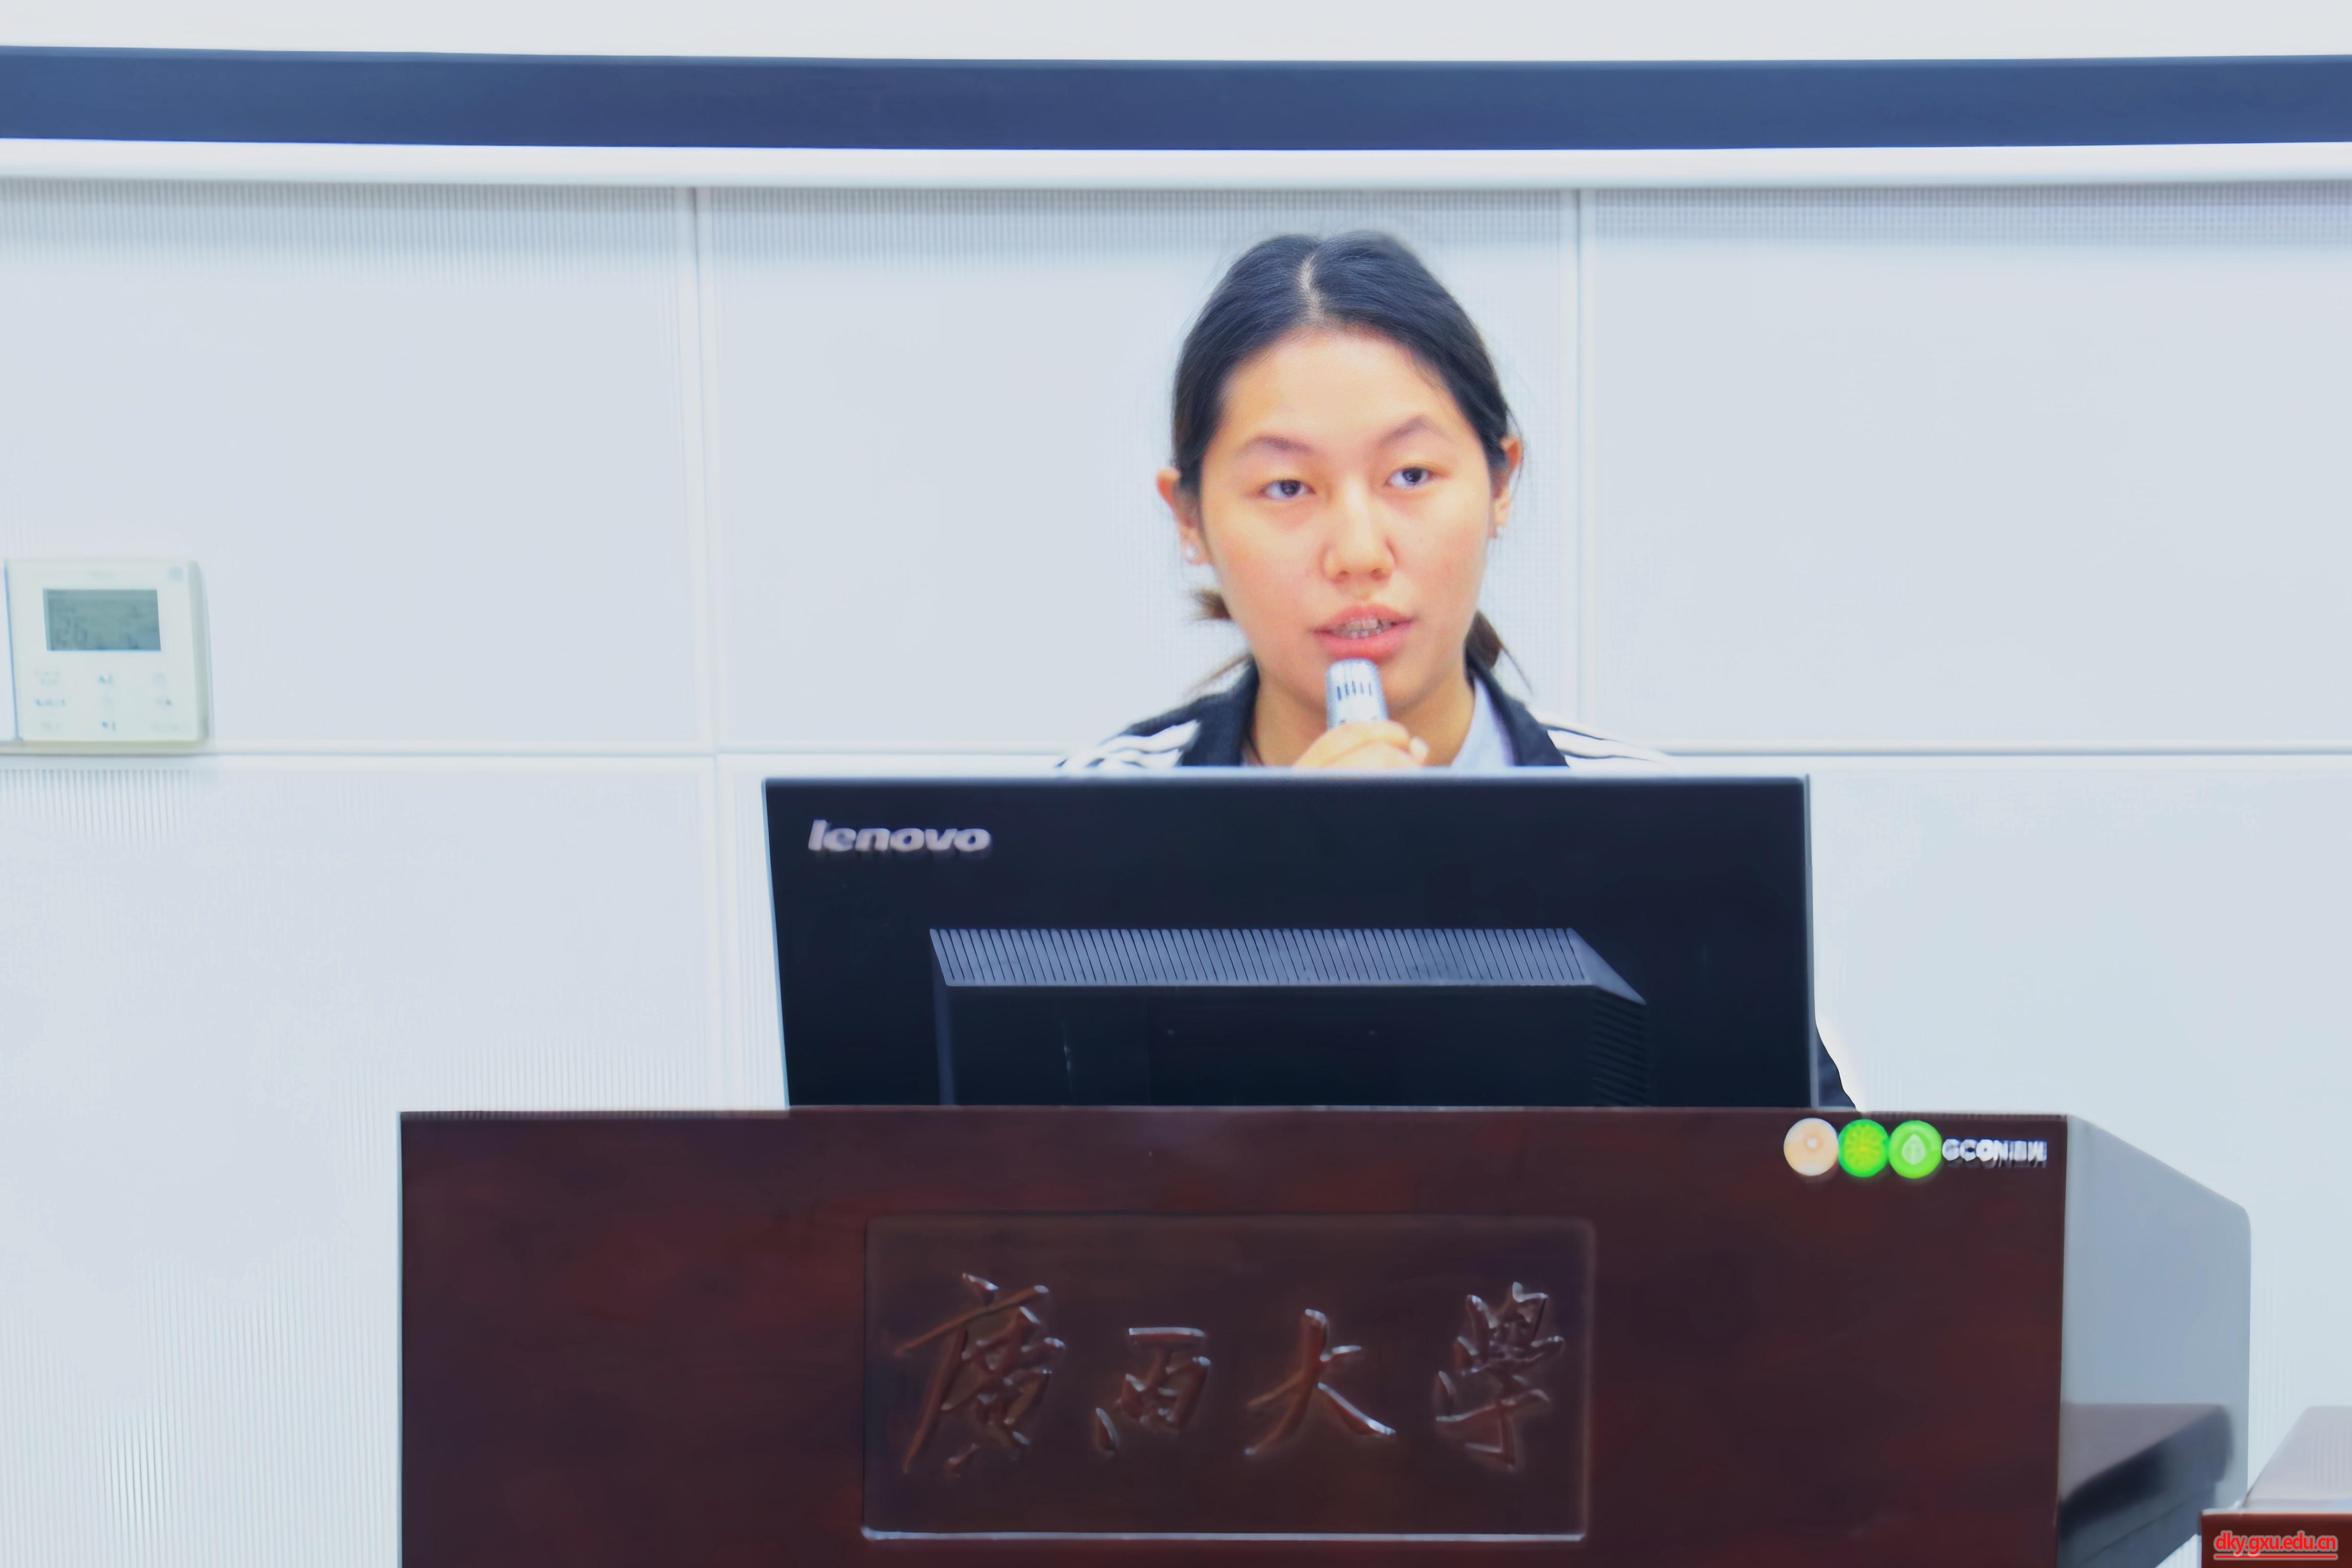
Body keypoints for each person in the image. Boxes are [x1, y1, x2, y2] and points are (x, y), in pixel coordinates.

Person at [1062, 230, 1659, 772]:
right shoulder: (1087, 815)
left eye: (1411, 475)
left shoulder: (1649, 815)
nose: (1359, 554)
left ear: (1500, 487)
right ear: (1189, 517)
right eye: (1287, 487)